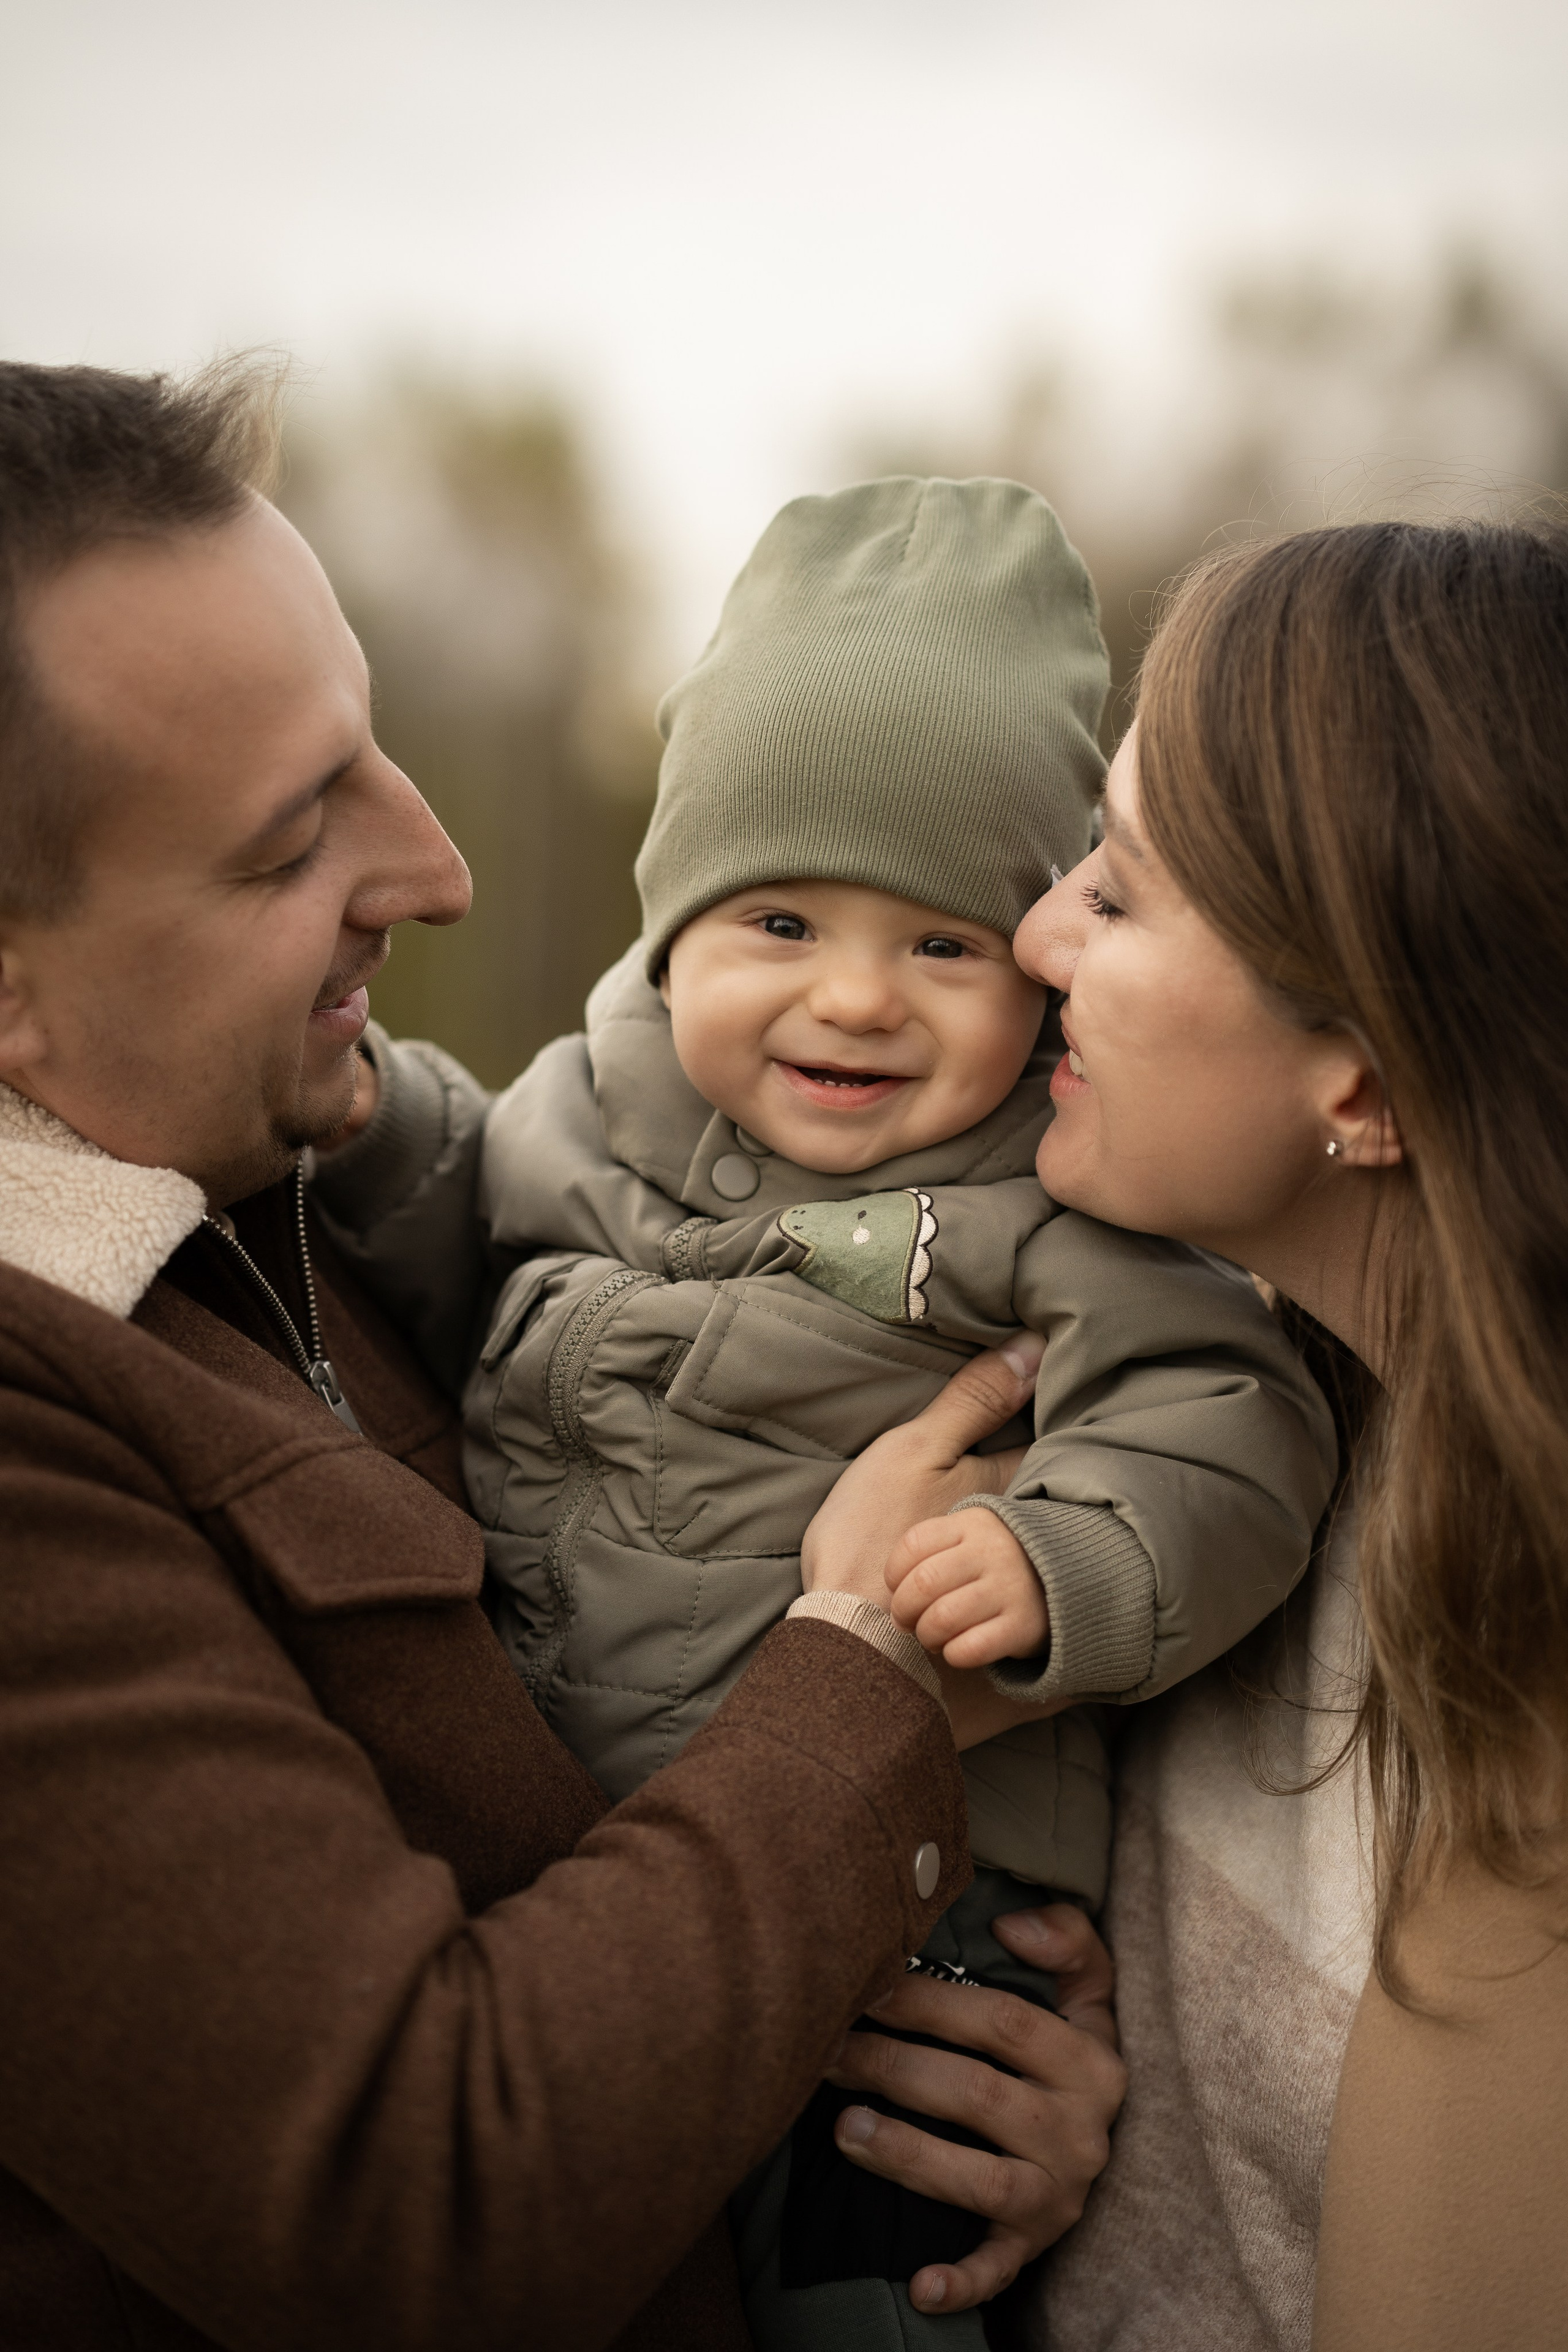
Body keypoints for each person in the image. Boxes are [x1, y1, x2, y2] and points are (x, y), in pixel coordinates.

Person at [0, 359, 1128, 2351]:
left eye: (376, 749)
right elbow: (418, 2211)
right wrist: (866, 1696)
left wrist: (938, 2078)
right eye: (284, 847)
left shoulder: (298, 1185)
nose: (434, 871)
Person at [311, 475, 1335, 2347]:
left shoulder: (1056, 1199)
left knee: (876, 2290)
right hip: (588, 1892)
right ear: (675, 925)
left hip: (912, 1934)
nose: (857, 1000)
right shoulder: (575, 1108)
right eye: (780, 918)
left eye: (944, 943)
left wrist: (1061, 1549)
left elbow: (1226, 1408)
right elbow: (452, 1219)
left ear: (1032, 966)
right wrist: (373, 1127)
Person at [808, 516, 1568, 2348]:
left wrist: (839, 1699)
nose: (1039, 926)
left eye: (1125, 893)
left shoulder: (1521, 1682)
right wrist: (1096, 2136)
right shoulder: (1258, 1422)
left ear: (1365, 1082)